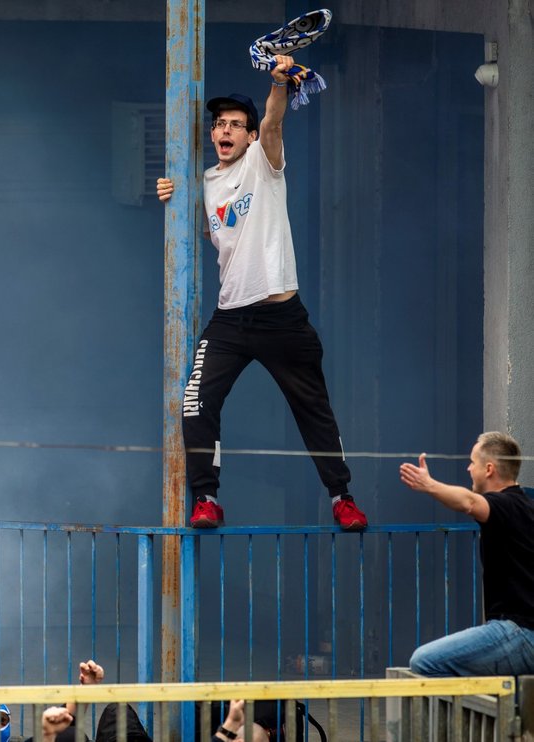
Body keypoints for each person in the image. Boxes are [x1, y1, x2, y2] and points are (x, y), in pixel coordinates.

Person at [156, 56, 367, 531]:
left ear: (249, 135)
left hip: (282, 317)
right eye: (219, 124)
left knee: (313, 410)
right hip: (231, 319)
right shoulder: (205, 184)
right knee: (195, 403)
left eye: (236, 124)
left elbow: (274, 119)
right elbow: (210, 235)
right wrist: (172, 197)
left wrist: (277, 81)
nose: (225, 130)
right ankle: (206, 499)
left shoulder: (263, 161)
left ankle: (342, 498)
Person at [400, 431, 534, 676]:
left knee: (424, 662)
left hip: (521, 632)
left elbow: (470, 503)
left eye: (473, 462)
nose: (469, 469)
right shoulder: (525, 507)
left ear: (489, 469)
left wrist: (428, 484)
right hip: (524, 632)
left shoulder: (504, 505)